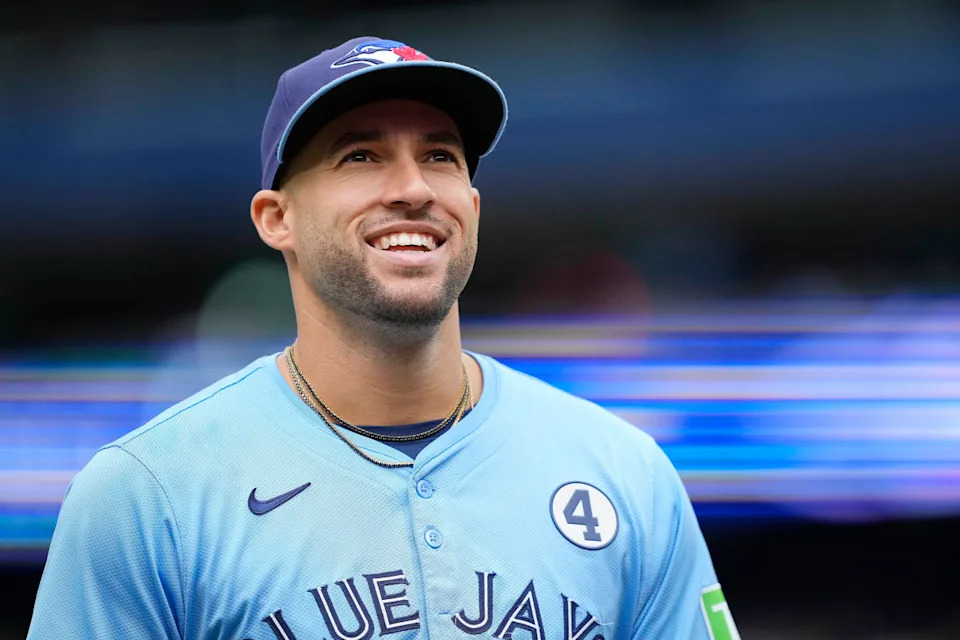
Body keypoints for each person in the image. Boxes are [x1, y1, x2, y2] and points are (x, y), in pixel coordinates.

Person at [28, 37, 739, 640]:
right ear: (277, 218)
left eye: (440, 157)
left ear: (473, 207)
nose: (413, 188)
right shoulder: (145, 496)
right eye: (360, 156)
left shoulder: (624, 470)